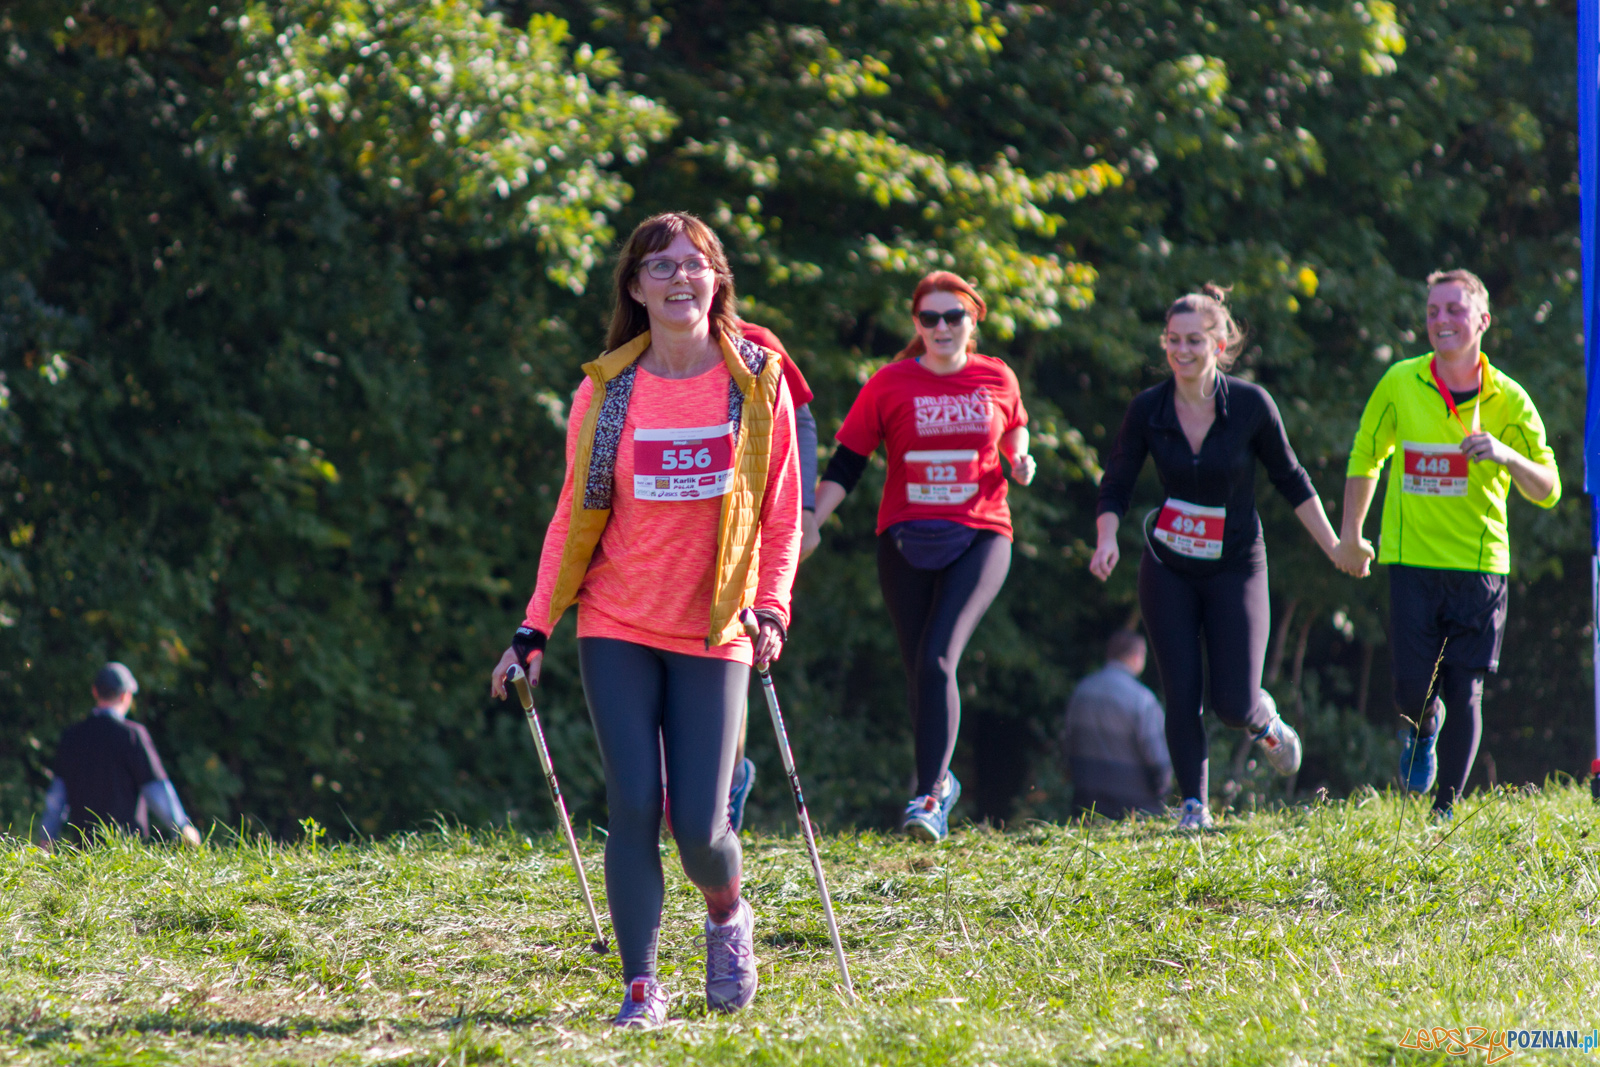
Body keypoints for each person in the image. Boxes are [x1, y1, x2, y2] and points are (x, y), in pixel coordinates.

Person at [489, 211, 801, 1028]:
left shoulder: (754, 380)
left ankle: (728, 913)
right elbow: (571, 516)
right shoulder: (603, 390)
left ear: (718, 279)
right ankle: (640, 985)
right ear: (635, 286)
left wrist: (771, 605)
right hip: (617, 620)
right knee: (633, 803)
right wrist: (533, 630)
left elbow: (780, 516)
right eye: (660, 267)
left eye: (695, 264)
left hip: (715, 628)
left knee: (697, 828)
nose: (679, 278)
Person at [1090, 285, 1342, 831]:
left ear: (1220, 343)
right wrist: (1106, 539)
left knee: (1232, 702)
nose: (1182, 351)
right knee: (1180, 689)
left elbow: (1291, 480)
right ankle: (1193, 807)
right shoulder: (1148, 410)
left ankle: (1266, 721)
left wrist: (1336, 546)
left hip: (1236, 565)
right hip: (1168, 565)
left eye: (1195, 340)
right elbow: (1117, 483)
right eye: (1173, 341)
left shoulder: (1250, 405)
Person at [811, 271, 1035, 843]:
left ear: (972, 320)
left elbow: (1015, 428)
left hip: (982, 531)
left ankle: (929, 794)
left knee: (938, 657)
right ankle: (942, 780)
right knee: (919, 672)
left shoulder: (996, 376)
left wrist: (1020, 459)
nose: (941, 327)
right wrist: (812, 521)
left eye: (953, 316)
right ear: (916, 324)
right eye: (929, 318)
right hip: (906, 537)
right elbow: (848, 461)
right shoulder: (889, 384)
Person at [1330, 269, 1559, 818]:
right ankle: (1422, 728)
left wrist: (1506, 456)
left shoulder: (1508, 398)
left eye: (1454, 310)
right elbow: (1367, 455)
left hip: (1479, 564)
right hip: (1410, 561)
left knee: (1466, 689)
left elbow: (1548, 488)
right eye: (1433, 311)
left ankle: (1444, 810)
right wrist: (1352, 534)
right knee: (1413, 691)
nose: (1441, 321)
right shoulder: (1401, 383)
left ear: (1482, 320)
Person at [724, 321, 817, 832]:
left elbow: (800, 416)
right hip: (665, 542)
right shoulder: (639, 351)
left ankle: (729, 777)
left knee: (729, 657)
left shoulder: (756, 341)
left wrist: (803, 510)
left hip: (747, 531)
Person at [39, 662, 202, 849]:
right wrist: (182, 826)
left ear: (95, 692)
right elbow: (155, 788)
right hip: (126, 854)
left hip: (84, 852)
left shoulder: (72, 736)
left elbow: (57, 795)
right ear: (126, 696)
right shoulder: (132, 735)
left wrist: (46, 837)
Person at [1061, 630, 1172, 819]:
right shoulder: (1142, 699)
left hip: (1087, 805)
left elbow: (1066, 745)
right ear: (1137, 656)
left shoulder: (1081, 691)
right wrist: (1163, 792)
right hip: (1134, 808)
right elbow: (1158, 760)